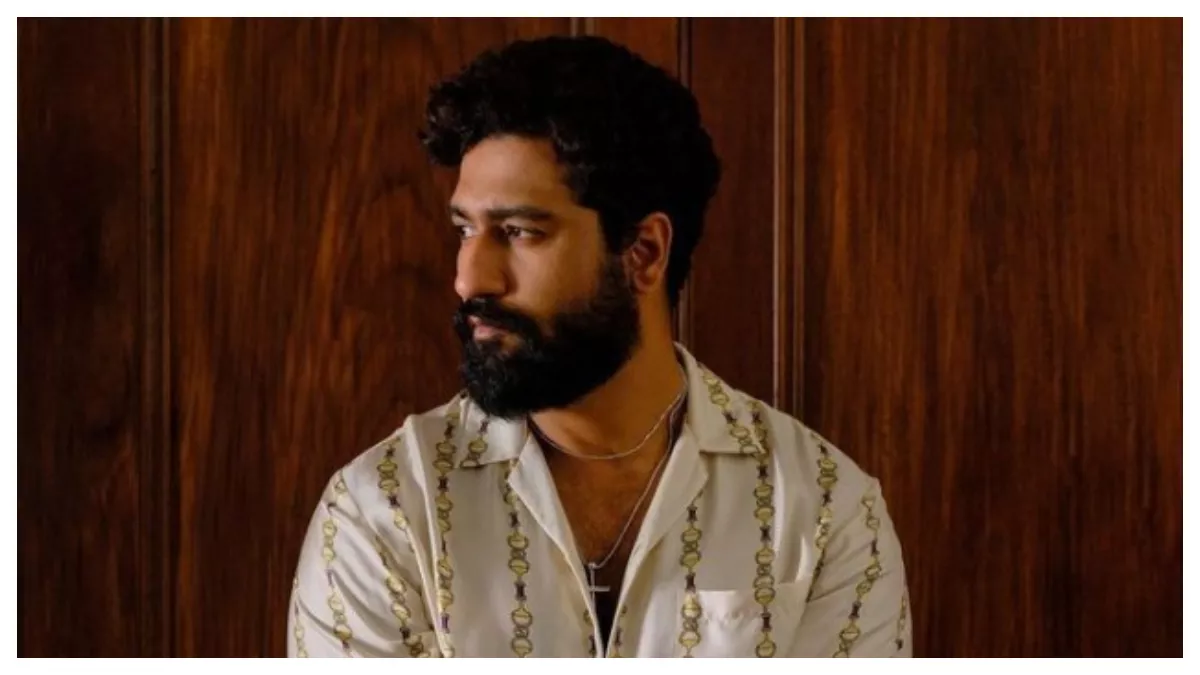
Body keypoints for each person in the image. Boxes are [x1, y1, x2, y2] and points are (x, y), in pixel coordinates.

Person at [287, 34, 911, 658]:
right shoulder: (385, 513)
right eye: (465, 230)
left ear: (643, 253)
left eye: (518, 232)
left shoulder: (825, 511)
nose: (470, 279)